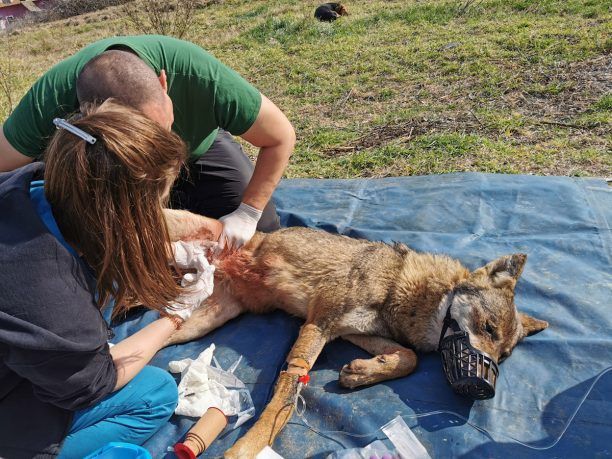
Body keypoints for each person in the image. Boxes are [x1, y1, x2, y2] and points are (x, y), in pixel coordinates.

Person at [0, 100, 209, 458]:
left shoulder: (26, 182)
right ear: (124, 216)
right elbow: (93, 385)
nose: (159, 214)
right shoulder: (51, 297)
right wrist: (177, 314)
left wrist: (153, 249)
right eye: (155, 206)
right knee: (155, 392)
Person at [0, 34, 296, 250]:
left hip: (198, 150)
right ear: (88, 118)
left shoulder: (201, 77)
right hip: (111, 171)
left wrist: (248, 213)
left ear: (163, 83)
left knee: (259, 236)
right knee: (115, 260)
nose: (161, 143)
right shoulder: (46, 103)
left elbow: (280, 137)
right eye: (147, 140)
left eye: (162, 127)